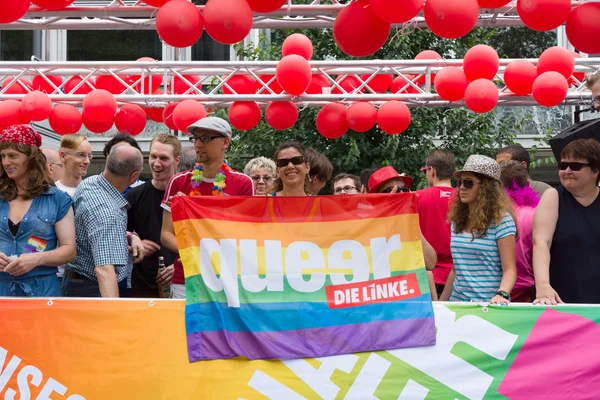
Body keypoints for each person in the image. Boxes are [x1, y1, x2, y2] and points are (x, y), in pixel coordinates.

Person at [161, 117, 254, 299]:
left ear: (225, 142)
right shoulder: (178, 181)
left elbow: (247, 234)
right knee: (184, 328)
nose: (198, 144)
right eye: (195, 138)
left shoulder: (243, 183)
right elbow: (166, 234)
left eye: (205, 138)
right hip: (186, 278)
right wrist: (197, 251)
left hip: (227, 278)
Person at [0, 125, 76, 297]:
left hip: (41, 293)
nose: (6, 162)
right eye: (3, 156)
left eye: (13, 156)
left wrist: (37, 259)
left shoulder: (57, 199)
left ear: (31, 158)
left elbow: (69, 250)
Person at [64, 145, 145, 298]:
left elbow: (92, 229)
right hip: (92, 288)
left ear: (108, 161)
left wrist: (129, 236)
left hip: (77, 280)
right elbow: (104, 270)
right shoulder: (107, 213)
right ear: (134, 176)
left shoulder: (91, 183)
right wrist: (112, 314)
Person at [440, 155, 517, 304]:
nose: (461, 187)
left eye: (468, 182)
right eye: (460, 182)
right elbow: (456, 270)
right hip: (458, 304)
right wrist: (441, 304)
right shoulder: (458, 221)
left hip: (489, 307)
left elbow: (510, 270)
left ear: (486, 187)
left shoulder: (501, 221)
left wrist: (502, 295)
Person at [533, 139, 600, 305]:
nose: (567, 170)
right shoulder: (553, 196)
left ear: (595, 171)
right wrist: (543, 285)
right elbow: (541, 242)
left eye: (576, 166)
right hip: (559, 299)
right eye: (563, 166)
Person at [367, 165, 439, 298]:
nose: (400, 194)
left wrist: (411, 223)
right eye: (391, 190)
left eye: (403, 190)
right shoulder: (365, 227)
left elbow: (430, 263)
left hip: (407, 301)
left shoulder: (409, 222)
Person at [126, 134, 180, 297]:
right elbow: (117, 235)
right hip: (143, 286)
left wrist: (179, 266)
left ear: (177, 160)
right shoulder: (134, 196)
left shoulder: (187, 195)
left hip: (181, 284)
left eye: (163, 158)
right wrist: (134, 243)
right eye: (153, 156)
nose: (156, 163)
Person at [417, 149, 456, 298]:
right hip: (459, 277)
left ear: (431, 170)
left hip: (427, 275)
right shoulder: (465, 199)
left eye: (424, 170)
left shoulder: (417, 197)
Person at [499, 160, 539, 302]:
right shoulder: (535, 214)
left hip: (498, 290)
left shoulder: (494, 214)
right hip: (528, 290)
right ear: (527, 184)